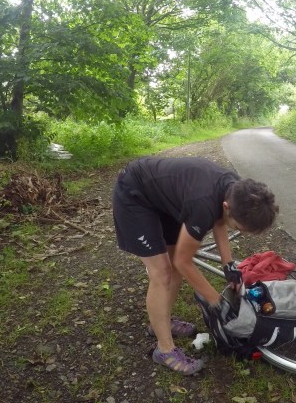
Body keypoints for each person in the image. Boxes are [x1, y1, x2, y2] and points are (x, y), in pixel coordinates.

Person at [112, 156, 279, 375]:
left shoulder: (238, 190)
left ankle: (160, 323)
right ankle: (164, 350)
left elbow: (219, 219)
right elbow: (184, 261)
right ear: (229, 207)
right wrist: (215, 300)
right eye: (239, 227)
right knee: (162, 273)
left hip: (165, 198)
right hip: (135, 194)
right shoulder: (203, 203)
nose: (240, 231)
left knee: (174, 270)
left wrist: (229, 265)